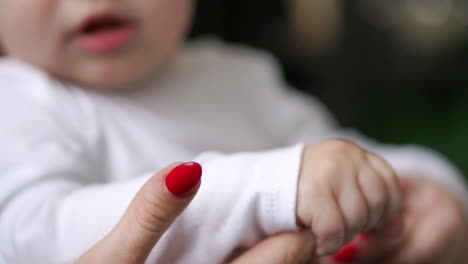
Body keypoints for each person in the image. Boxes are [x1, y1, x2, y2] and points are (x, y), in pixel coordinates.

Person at [0, 1, 466, 263]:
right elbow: (37, 237)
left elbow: (347, 159)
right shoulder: (16, 100)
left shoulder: (239, 75)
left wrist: (432, 192)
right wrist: (263, 188)